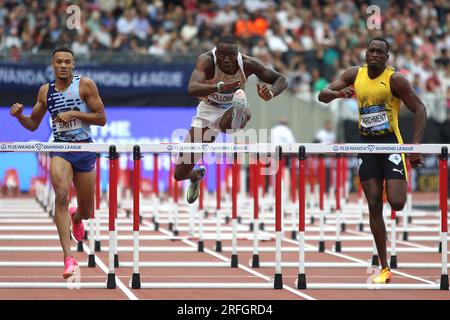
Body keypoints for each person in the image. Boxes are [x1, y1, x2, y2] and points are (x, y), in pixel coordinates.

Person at [318, 37, 427, 284]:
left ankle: (393, 181)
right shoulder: (354, 74)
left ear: (387, 57)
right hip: (367, 146)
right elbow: (322, 95)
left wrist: (416, 144)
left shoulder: (394, 79)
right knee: (374, 204)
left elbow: (419, 108)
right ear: (365, 53)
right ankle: (385, 267)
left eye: (380, 52)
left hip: (390, 144)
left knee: (397, 203)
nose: (375, 54)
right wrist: (337, 94)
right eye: (371, 50)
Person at [10, 46, 107, 279]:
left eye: (67, 62)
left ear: (73, 64)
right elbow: (33, 125)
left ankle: (77, 217)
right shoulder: (45, 91)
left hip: (84, 149)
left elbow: (101, 118)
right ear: (52, 65)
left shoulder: (85, 85)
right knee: (61, 196)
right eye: (59, 62)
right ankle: (68, 257)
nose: (63, 65)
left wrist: (75, 114)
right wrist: (19, 116)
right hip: (60, 149)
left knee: (86, 209)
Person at [174, 35, 287, 204]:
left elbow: (281, 80)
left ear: (237, 54)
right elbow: (192, 88)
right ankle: (196, 175)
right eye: (222, 55)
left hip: (231, 107)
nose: (226, 60)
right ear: (216, 52)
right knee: (179, 174)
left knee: (233, 119)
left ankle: (237, 115)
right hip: (207, 110)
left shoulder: (248, 63)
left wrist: (270, 94)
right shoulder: (205, 60)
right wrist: (218, 87)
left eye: (231, 56)